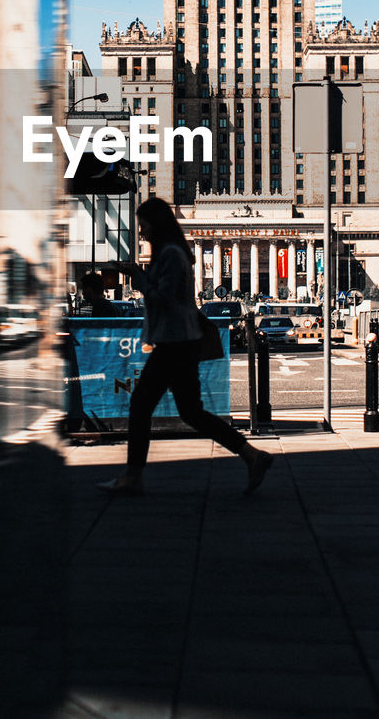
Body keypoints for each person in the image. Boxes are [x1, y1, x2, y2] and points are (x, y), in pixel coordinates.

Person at [99, 197, 272, 496]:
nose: (142, 232)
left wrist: (139, 279)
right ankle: (252, 455)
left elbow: (165, 298)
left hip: (174, 342)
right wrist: (135, 273)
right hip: (180, 341)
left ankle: (133, 476)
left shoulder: (170, 254)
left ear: (156, 223)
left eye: (144, 225)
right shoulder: (172, 252)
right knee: (191, 412)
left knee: (141, 405)